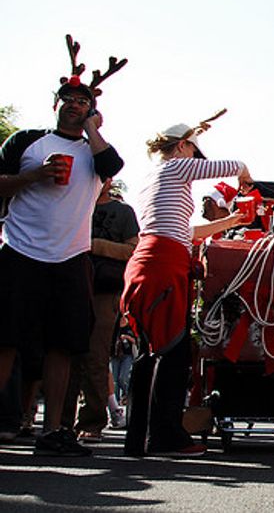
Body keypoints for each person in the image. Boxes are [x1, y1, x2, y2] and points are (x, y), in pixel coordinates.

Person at [0, 35, 126, 457]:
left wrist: (93, 127)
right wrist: (33, 177)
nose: (75, 104)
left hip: (70, 260)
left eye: (82, 101)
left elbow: (113, 167)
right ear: (55, 104)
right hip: (19, 252)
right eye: (68, 99)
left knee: (63, 346)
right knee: (6, 340)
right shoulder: (26, 142)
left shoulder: (96, 153)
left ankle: (54, 430)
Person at [120, 117, 249, 457]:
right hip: (162, 265)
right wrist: (246, 176)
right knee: (169, 355)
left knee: (156, 353)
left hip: (156, 261)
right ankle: (162, 436)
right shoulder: (175, 168)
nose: (196, 156)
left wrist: (230, 222)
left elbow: (187, 233)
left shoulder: (155, 177)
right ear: (181, 147)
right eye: (193, 148)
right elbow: (233, 165)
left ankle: (144, 437)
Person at [63, 177, 139, 442]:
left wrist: (92, 244)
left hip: (104, 289)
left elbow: (133, 249)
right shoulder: (69, 204)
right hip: (69, 285)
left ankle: (93, 421)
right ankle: (60, 423)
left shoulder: (122, 212)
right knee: (64, 355)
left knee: (95, 356)